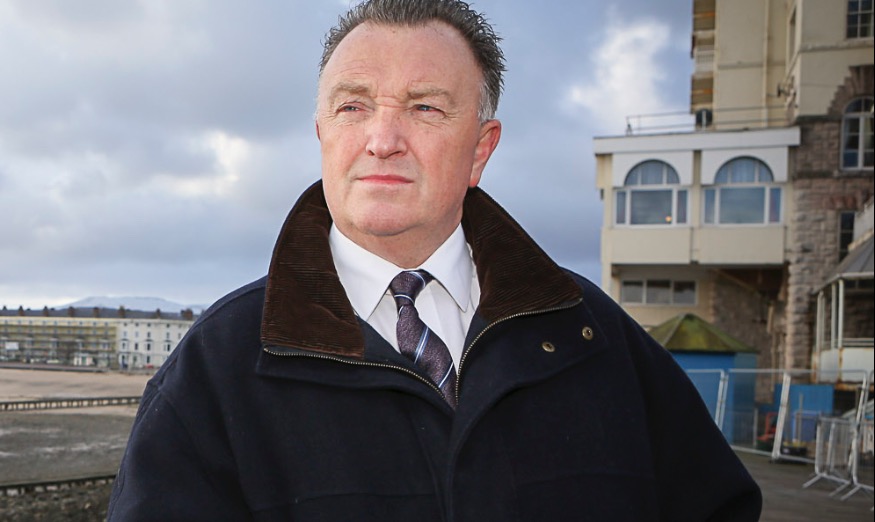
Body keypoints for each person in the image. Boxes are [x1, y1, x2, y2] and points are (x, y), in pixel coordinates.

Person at [108, 1, 762, 520]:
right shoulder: (217, 367)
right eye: (353, 106)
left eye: (423, 107)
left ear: (480, 149)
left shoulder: (590, 335)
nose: (382, 139)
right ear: (322, 134)